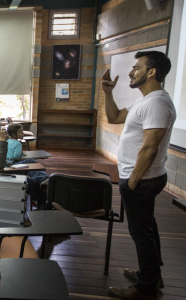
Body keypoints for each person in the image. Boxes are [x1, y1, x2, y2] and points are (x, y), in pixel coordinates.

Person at [102, 51, 175, 300]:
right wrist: (107, 93)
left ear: (152, 72)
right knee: (148, 228)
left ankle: (145, 286)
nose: (132, 72)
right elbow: (113, 117)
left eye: (137, 67)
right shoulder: (144, 101)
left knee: (141, 233)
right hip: (141, 178)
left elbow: (150, 146)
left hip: (141, 180)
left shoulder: (156, 103)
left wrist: (132, 182)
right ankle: (152, 274)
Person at [5, 123, 49, 209]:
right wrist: (21, 154)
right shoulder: (17, 143)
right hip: (13, 164)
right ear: (14, 134)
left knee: (30, 162)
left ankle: (42, 179)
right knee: (31, 161)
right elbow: (16, 156)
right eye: (21, 132)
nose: (23, 133)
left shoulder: (7, 141)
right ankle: (44, 178)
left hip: (9, 163)